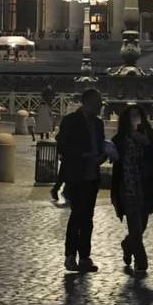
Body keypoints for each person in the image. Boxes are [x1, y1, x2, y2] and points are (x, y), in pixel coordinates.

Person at [57, 88, 108, 273]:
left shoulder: (98, 124)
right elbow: (62, 145)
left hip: (92, 175)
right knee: (77, 216)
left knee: (88, 218)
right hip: (76, 174)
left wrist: (104, 155)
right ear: (87, 102)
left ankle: (85, 257)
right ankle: (70, 256)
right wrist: (83, 155)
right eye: (98, 102)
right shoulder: (70, 121)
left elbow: (100, 145)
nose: (101, 105)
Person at [110, 104, 153, 274]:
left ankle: (127, 245)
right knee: (134, 224)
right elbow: (114, 158)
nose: (135, 118)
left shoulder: (148, 133)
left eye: (137, 115)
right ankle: (141, 261)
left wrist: (147, 143)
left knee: (142, 224)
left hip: (145, 184)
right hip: (127, 184)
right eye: (131, 115)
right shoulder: (120, 138)